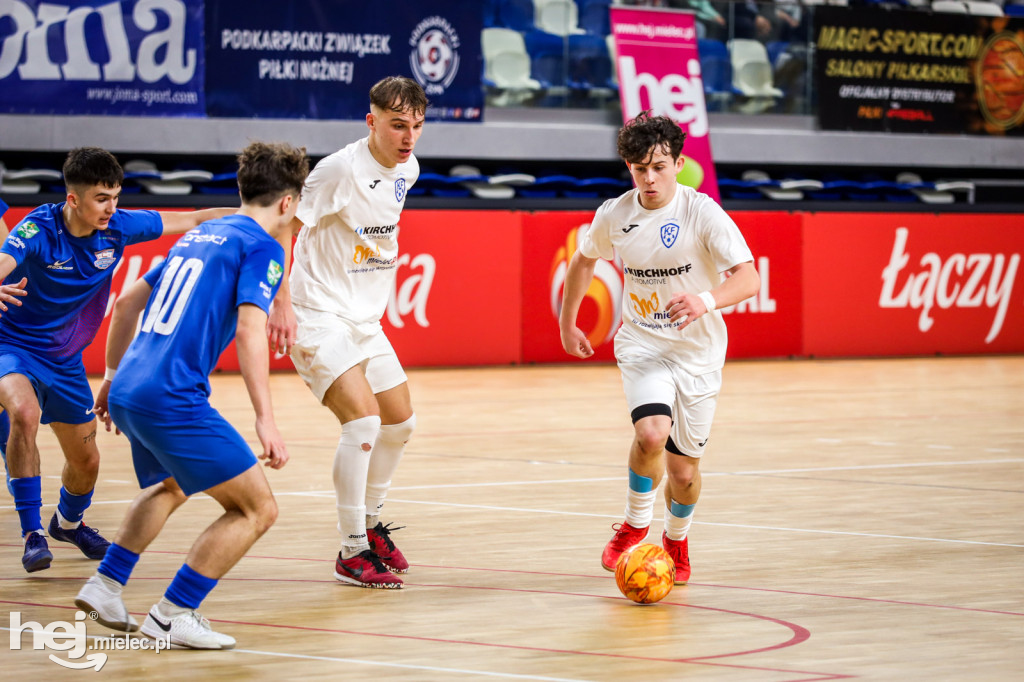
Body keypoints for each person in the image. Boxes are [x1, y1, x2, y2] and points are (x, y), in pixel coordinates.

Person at [73, 141, 306, 649]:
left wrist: (112, 377)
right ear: (288, 204)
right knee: (256, 509)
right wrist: (266, 420)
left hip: (133, 385)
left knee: (175, 483)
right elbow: (250, 330)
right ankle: (173, 613)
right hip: (171, 397)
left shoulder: (202, 234)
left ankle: (106, 584)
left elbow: (129, 301)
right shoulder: (261, 246)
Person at [0, 148, 234, 573]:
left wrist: (256, 214)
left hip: (65, 361)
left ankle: (67, 523)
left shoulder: (120, 227)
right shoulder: (37, 227)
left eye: (115, 196)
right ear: (73, 199)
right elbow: (4, 260)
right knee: (24, 412)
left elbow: (197, 218)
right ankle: (32, 533)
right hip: (12, 345)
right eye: (101, 198)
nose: (112, 207)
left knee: (86, 462)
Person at [558, 111, 760, 584]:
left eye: (659, 166)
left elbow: (749, 278)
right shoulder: (615, 213)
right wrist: (568, 324)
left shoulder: (702, 211)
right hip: (643, 344)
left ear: (678, 163)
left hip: (698, 355)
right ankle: (633, 524)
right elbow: (582, 263)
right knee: (651, 433)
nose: (649, 178)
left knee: (684, 474)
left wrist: (705, 300)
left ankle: (676, 538)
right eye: (638, 168)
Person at [267, 76, 425, 589]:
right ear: (371, 120)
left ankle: (373, 523)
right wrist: (282, 303)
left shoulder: (410, 169)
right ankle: (352, 548)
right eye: (398, 125)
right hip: (317, 314)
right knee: (364, 423)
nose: (408, 138)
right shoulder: (338, 170)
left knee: (400, 423)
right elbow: (280, 225)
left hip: (364, 320)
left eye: (417, 127)